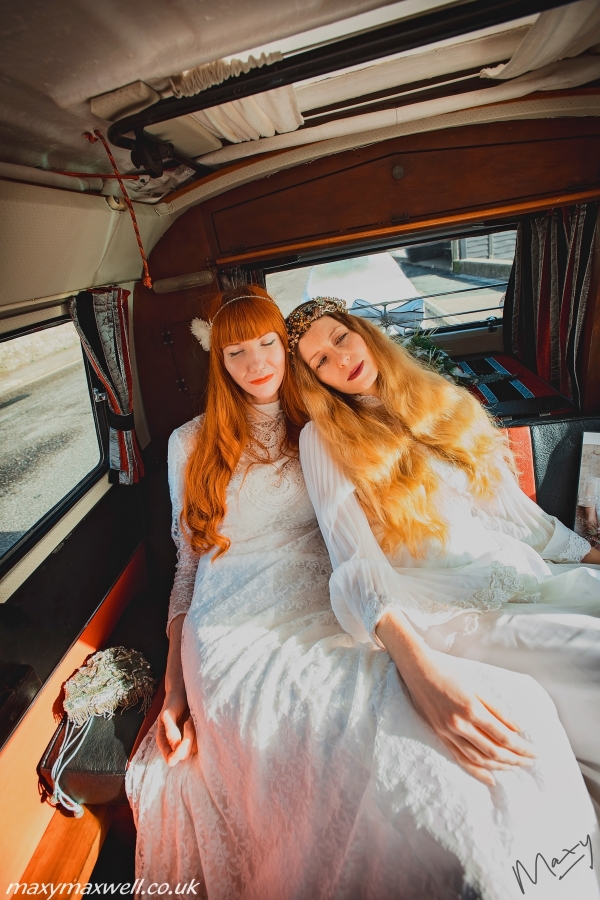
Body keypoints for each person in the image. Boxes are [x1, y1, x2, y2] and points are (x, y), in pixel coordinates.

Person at [126, 288, 600, 900]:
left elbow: (387, 523)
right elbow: (187, 568)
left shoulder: (318, 424)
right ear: (217, 360)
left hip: (323, 603)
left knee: (461, 733)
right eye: (235, 352)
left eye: (268, 343)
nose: (256, 362)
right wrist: (174, 687)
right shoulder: (188, 443)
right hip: (230, 619)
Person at [288, 296, 600, 820]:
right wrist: (422, 674)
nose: (340, 358)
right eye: (320, 360)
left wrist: (590, 555)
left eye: (341, 338)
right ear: (314, 380)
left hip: (520, 574)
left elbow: (518, 516)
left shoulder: (442, 398)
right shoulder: (321, 439)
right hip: (444, 610)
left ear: (363, 332)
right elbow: (355, 563)